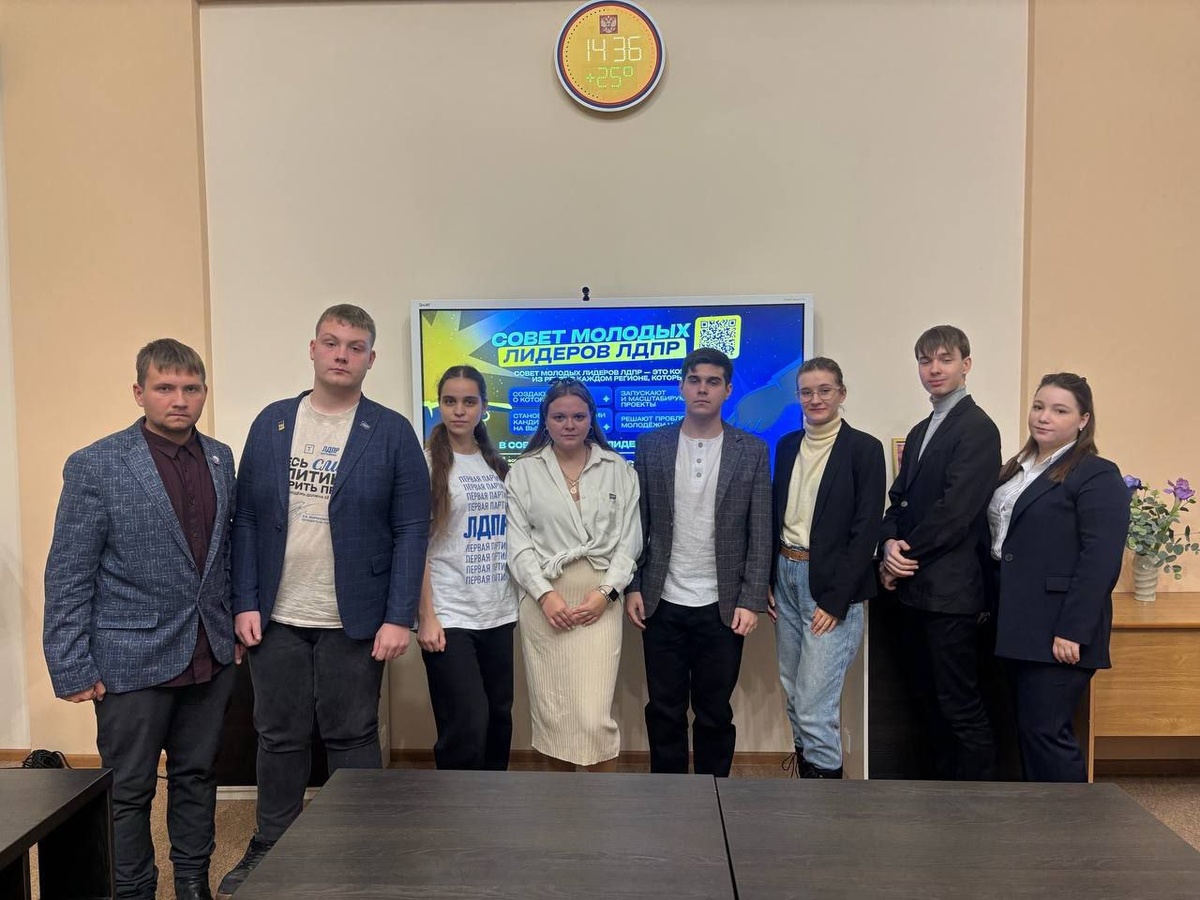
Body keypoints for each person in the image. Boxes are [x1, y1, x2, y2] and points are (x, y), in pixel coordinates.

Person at [218, 305, 430, 897]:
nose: (342, 354)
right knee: (278, 735)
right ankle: (271, 843)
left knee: (352, 734)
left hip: (354, 618)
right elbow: (246, 517)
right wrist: (244, 601)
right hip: (277, 614)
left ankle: (358, 847)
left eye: (355, 346)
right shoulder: (273, 422)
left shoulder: (391, 431)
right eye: (332, 343)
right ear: (313, 349)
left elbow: (412, 527)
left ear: (371, 358)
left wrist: (399, 616)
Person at [43, 339, 237, 900]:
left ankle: (193, 882)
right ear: (139, 392)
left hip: (208, 651)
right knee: (128, 789)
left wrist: (231, 628)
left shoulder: (221, 458)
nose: (180, 399)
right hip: (129, 658)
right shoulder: (96, 464)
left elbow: (224, 555)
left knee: (197, 775)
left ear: (204, 393)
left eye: (191, 388)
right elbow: (69, 572)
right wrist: (71, 664)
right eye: (165, 388)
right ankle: (133, 890)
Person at [625, 348, 771, 777]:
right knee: (664, 709)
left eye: (712, 382)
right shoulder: (651, 445)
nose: (702, 389)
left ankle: (714, 792)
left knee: (714, 711)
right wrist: (633, 585)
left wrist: (751, 599)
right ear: (681, 386)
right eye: (694, 380)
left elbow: (760, 529)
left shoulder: (752, 450)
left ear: (727, 390)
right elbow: (636, 523)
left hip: (722, 605)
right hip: (661, 600)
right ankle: (669, 795)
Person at [988, 373, 1128, 782]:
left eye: (1059, 410)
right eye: (1038, 406)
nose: (1043, 417)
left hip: (1058, 627)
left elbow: (1100, 559)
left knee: (1046, 733)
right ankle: (1039, 818)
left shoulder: (1096, 474)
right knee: (1025, 734)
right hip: (1012, 623)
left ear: (1083, 420)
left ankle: (1074, 819)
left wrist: (1073, 630)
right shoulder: (1015, 469)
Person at [880, 325, 1001, 781]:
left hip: (951, 595)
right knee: (927, 703)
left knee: (960, 705)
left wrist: (901, 555)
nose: (934, 369)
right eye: (925, 360)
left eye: (945, 359)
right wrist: (887, 544)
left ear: (965, 365)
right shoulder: (920, 430)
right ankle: (942, 799)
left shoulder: (978, 428)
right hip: (914, 591)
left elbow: (955, 514)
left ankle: (978, 803)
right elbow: (898, 501)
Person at [505, 378, 641, 771]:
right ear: (545, 420)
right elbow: (517, 543)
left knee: (593, 716)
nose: (569, 424)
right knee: (554, 714)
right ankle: (559, 802)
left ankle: (600, 803)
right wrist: (545, 596)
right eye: (559, 417)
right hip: (545, 604)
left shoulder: (618, 469)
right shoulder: (523, 471)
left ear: (591, 419)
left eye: (578, 416)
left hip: (600, 601)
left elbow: (630, 540)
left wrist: (606, 593)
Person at [769, 357, 885, 779]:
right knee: (794, 696)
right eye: (806, 391)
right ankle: (807, 785)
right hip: (786, 575)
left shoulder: (864, 449)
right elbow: (776, 516)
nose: (815, 398)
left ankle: (827, 804)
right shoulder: (786, 446)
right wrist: (768, 579)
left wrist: (836, 601)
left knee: (815, 707)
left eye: (824, 390)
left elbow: (866, 530)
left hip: (832, 588)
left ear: (841, 394)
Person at [417, 365, 517, 770]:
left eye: (469, 401)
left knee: (499, 719)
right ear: (440, 406)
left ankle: (493, 804)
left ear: (483, 407)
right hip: (450, 614)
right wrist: (426, 617)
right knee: (466, 725)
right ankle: (456, 807)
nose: (459, 410)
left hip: (498, 612)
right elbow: (415, 545)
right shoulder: (426, 464)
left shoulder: (497, 464)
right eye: (450, 401)